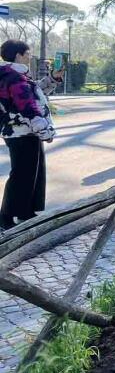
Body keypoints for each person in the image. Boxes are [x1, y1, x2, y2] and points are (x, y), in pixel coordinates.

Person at [0, 40, 62, 230]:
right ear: (18, 55)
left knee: (31, 173)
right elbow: (28, 109)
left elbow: (36, 92)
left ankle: (25, 212)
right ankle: (6, 218)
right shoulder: (14, 77)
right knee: (21, 175)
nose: (29, 56)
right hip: (21, 132)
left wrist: (53, 78)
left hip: (23, 132)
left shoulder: (15, 75)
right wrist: (45, 132)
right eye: (27, 53)